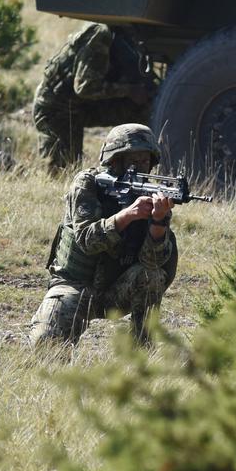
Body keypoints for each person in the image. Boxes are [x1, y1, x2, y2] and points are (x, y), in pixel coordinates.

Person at [29, 123, 178, 347]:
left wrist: (158, 221)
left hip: (118, 291)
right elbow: (86, 240)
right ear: (114, 160)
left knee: (151, 276)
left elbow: (153, 263)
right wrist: (127, 215)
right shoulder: (88, 184)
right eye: (132, 161)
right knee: (46, 344)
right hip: (76, 286)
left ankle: (142, 353)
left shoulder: (151, 194)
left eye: (145, 161)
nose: (139, 167)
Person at [31, 22, 156, 172]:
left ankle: (130, 165)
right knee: (63, 169)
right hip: (56, 109)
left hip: (81, 106)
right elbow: (85, 87)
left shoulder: (122, 36)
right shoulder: (101, 34)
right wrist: (130, 91)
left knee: (139, 110)